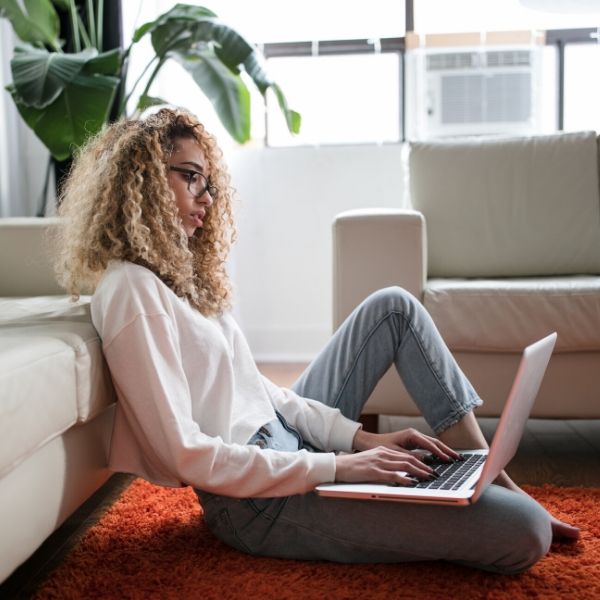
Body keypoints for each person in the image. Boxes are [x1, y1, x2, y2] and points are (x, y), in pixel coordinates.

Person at [52, 108, 579, 575]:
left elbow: (261, 392)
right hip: (255, 502)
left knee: (392, 306)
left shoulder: (178, 276)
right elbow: (186, 454)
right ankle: (491, 494)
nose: (206, 199)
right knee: (526, 532)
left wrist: (358, 441)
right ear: (141, 180)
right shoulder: (131, 290)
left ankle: (484, 471)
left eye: (208, 183)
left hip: (286, 444)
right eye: (190, 178)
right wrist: (338, 467)